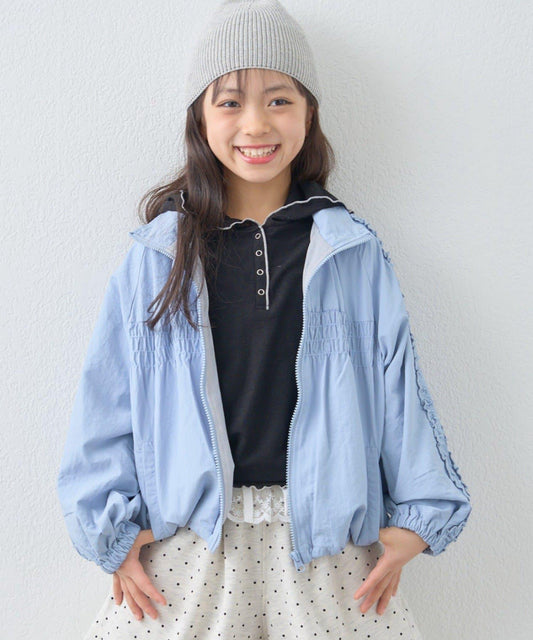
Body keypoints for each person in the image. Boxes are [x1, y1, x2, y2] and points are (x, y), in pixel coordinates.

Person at [57, 1, 472, 638]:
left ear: (309, 113)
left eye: (279, 99)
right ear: (200, 116)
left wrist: (421, 514)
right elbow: (107, 398)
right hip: (189, 547)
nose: (255, 123)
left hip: (327, 551)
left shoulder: (350, 250)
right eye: (229, 101)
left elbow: (398, 387)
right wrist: (106, 527)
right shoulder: (158, 254)